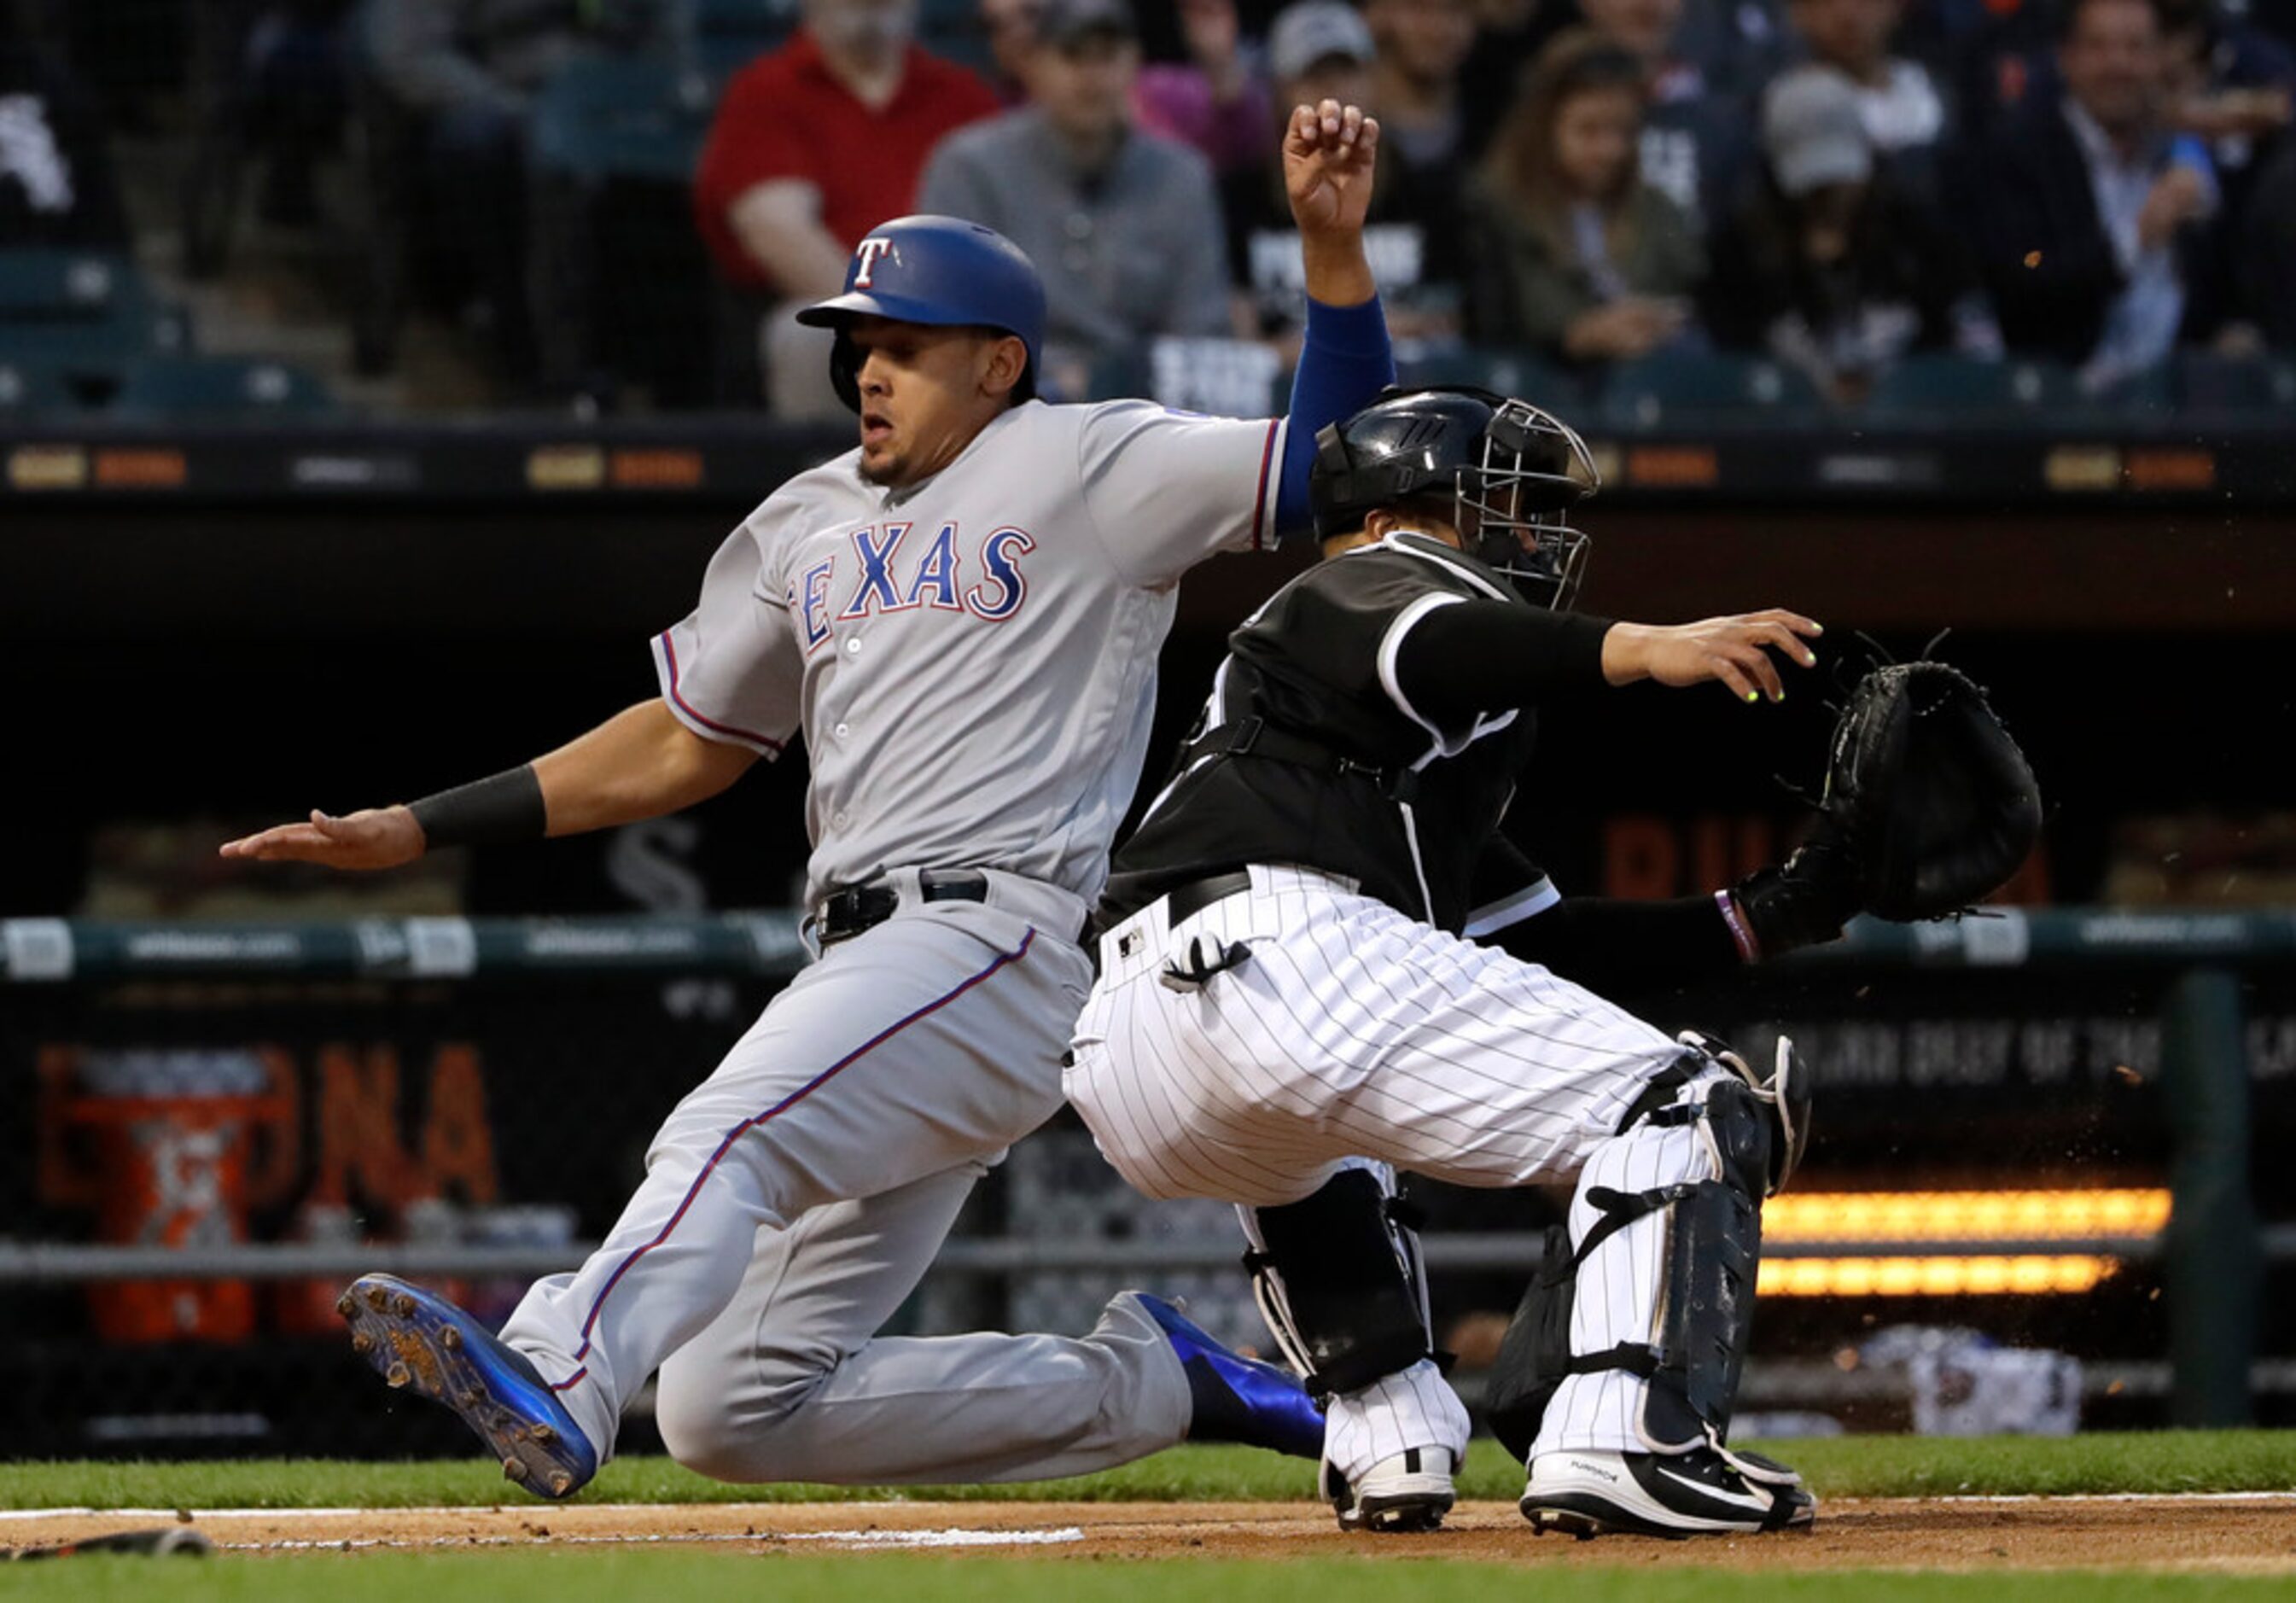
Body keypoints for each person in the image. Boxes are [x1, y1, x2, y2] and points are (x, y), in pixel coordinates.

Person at [219, 99, 1398, 1500]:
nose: (870, 371)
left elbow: (1345, 454)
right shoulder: (805, 516)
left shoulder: (1095, 462)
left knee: (731, 1125)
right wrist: (420, 824)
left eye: (905, 344)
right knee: (734, 1409)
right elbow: (681, 743)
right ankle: (1159, 1376)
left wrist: (1332, 250)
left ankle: (560, 1359)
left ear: (997, 361)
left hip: (992, 936)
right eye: (859, 345)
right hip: (867, 964)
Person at [1064, 384, 1840, 1536]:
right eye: (1485, 506)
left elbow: (1538, 943)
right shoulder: (1357, 583)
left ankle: (1388, 1438)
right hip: (1280, 950)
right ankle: (1627, 1437)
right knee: (1688, 1101)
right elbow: (1437, 641)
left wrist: (1776, 909)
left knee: (1319, 1153)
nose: (1519, 536)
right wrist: (1641, 648)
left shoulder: (1379, 760)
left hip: (1142, 1040)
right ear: (1387, 518)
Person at [693, 0, 1000, 417]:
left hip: (959, 317)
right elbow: (777, 233)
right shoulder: (765, 92)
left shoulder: (964, 97)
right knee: (807, 340)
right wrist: (891, 324)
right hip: (840, 316)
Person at [918, 0, 1233, 401]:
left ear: (1134, 63)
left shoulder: (1183, 176)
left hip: (1143, 413)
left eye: (1107, 56)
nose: (1091, 76)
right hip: (1005, 407)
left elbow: (1201, 338)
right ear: (1033, 65)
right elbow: (946, 325)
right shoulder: (969, 166)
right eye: (1072, 55)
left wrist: (1114, 385)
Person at [1958, 0, 2227, 393]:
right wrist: (2136, 238)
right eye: (2098, 47)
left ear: (2161, 59)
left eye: (2136, 48)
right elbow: (2027, 271)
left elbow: (2217, 284)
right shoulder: (2017, 154)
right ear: (2066, 58)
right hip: (2063, 401)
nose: (2118, 65)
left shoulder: (2179, 153)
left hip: (2179, 401)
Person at [1705, 63, 1999, 403]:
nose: (1830, 193)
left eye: (1840, 176)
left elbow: (1978, 354)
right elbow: (1727, 375)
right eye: (1814, 183)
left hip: (1912, 436)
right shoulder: (1739, 256)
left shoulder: (1920, 239)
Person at [1223, 2, 1464, 354]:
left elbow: (1450, 326)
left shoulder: (1426, 192)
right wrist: (1358, 336)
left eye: (1347, 71)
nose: (1333, 92)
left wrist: (1325, 341)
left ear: (1374, 80)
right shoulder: (1242, 200)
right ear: (1280, 91)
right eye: (1315, 75)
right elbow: (1236, 346)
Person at [1463, 30, 1707, 368]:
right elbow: (1496, 327)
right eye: (1589, 131)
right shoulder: (1494, 211)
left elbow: (1694, 297)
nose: (1611, 151)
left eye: (1623, 131)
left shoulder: (1657, 210)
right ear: (1544, 126)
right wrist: (1576, 336)